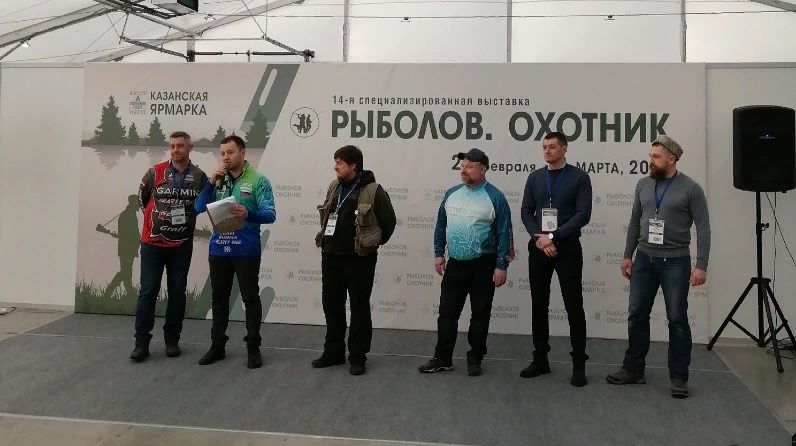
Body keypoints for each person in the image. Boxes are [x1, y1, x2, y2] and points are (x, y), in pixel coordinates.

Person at [606, 136, 710, 399]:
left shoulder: (691, 188)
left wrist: (701, 265)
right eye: (650, 156)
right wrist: (627, 255)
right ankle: (633, 369)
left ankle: (678, 378)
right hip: (644, 259)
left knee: (677, 319)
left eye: (656, 157)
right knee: (637, 314)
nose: (650, 161)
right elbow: (634, 222)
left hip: (675, 262)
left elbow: (703, 228)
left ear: (671, 159)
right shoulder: (643, 184)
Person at [418, 148, 514, 377]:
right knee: (447, 313)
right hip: (455, 263)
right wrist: (439, 253)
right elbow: (441, 224)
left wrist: (501, 265)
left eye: (469, 166)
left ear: (483, 169)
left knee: (480, 314)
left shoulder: (495, 197)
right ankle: (442, 358)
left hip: (483, 264)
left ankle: (475, 358)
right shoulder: (452, 193)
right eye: (462, 165)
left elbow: (504, 233)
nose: (464, 169)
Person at [312, 145, 397, 376]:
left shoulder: (373, 190)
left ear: (353, 165)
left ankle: (358, 357)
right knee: (332, 305)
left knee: (359, 307)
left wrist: (372, 243)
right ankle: (333, 352)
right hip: (330, 256)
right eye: (335, 162)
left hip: (359, 259)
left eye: (339, 163)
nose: (335, 167)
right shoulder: (334, 187)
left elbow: (389, 222)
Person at [194, 135, 276, 369]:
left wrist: (248, 214)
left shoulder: (258, 180)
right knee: (219, 299)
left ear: (242, 152)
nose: (226, 157)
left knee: (250, 299)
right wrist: (211, 182)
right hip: (219, 249)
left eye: (230, 152)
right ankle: (217, 346)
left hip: (246, 249)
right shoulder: (217, 180)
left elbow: (270, 214)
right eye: (222, 153)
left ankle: (253, 348)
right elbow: (198, 208)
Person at [520, 131, 592, 387]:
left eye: (552, 147)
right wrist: (540, 238)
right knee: (539, 304)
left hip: (567, 248)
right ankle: (540, 359)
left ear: (564, 149)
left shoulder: (579, 177)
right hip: (539, 247)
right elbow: (526, 211)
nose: (547, 151)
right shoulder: (535, 178)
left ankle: (579, 364)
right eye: (544, 147)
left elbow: (583, 214)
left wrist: (553, 236)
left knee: (574, 305)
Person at [131, 131, 209, 362]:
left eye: (180, 146)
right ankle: (141, 343)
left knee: (177, 292)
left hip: (181, 244)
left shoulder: (199, 176)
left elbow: (203, 204)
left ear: (190, 148)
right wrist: (158, 219)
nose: (176, 150)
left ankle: (172, 341)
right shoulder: (154, 172)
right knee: (148, 292)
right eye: (172, 146)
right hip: (152, 244)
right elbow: (142, 199)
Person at [100, 195, 139, 300]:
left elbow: (127, 234)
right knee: (125, 272)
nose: (139, 205)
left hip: (127, 248)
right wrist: (137, 241)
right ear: (133, 203)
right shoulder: (128, 215)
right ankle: (109, 292)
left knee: (126, 273)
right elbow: (129, 234)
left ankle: (129, 296)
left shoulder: (128, 215)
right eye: (137, 203)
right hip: (127, 248)